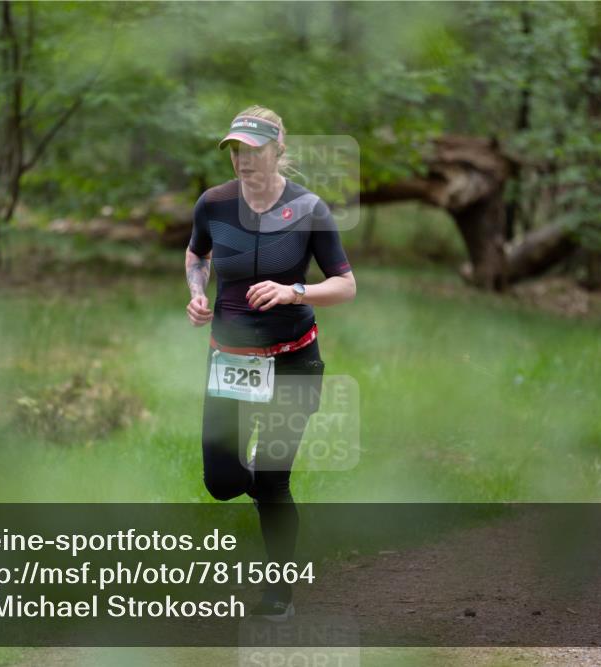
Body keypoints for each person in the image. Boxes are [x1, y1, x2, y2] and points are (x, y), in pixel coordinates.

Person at [184, 105, 356, 620]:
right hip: (231, 362)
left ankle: (278, 593)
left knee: (272, 480)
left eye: (255, 150)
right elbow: (198, 255)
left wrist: (292, 291)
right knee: (223, 484)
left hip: (292, 360)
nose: (243, 160)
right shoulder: (213, 204)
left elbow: (345, 286)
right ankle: (251, 469)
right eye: (236, 150)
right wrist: (196, 292)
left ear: (278, 150)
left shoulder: (309, 210)